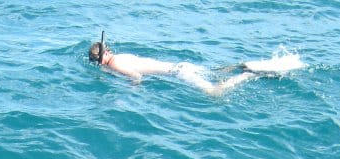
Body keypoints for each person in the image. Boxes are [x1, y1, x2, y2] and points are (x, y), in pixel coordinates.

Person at [88, 41, 286, 96]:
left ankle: (247, 74)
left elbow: (136, 76)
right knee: (214, 73)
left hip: (178, 73)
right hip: (181, 66)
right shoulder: (121, 56)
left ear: (101, 58)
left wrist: (132, 89)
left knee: (214, 92)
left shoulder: (114, 63)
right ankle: (240, 67)